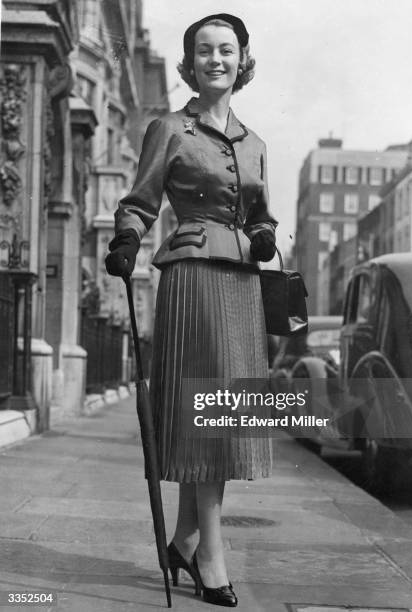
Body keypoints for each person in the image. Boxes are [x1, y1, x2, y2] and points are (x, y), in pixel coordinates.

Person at [105, 13, 278, 607]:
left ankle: (182, 539)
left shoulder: (255, 143)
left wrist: (264, 235)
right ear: (190, 62)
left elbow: (261, 213)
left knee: (225, 416)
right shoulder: (169, 129)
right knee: (210, 413)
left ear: (242, 58)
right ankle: (212, 553)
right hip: (194, 279)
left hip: (242, 286)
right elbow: (140, 199)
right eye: (204, 50)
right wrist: (127, 237)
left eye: (227, 50)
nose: (216, 60)